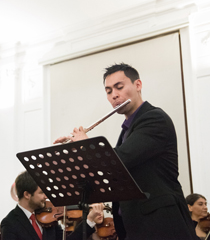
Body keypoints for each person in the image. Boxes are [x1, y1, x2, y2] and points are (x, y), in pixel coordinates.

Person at [54, 63, 198, 240]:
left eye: (119, 87)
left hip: (161, 225)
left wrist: (86, 144)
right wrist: (73, 151)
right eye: (108, 91)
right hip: (135, 226)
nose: (114, 95)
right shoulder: (127, 131)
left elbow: (119, 160)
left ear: (138, 85)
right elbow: (108, 170)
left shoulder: (154, 118)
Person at [0, 171, 105, 240]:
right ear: (27, 194)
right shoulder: (9, 223)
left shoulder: (47, 219)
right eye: (41, 193)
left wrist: (89, 220)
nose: (46, 197)